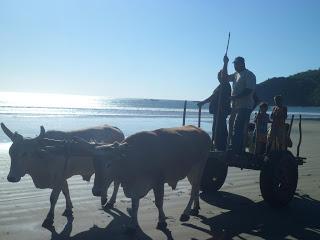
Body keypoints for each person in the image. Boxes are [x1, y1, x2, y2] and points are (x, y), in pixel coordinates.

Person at [220, 55, 256, 154]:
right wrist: (225, 63)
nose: (235, 66)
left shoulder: (249, 74)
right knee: (231, 126)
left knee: (238, 126)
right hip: (235, 106)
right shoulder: (236, 74)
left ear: (242, 63)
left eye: (236, 64)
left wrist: (234, 97)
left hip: (245, 106)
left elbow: (248, 90)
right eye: (234, 64)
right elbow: (224, 78)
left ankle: (237, 148)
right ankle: (233, 145)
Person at [198, 73, 231, 151]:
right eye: (218, 77)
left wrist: (203, 102)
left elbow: (214, 96)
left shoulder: (225, 85)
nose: (219, 78)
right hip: (217, 111)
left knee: (219, 129)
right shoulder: (220, 86)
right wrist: (203, 102)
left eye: (220, 77)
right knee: (217, 128)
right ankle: (217, 145)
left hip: (221, 111)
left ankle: (220, 147)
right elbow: (213, 97)